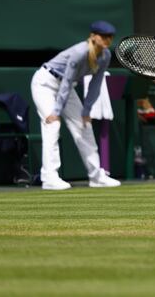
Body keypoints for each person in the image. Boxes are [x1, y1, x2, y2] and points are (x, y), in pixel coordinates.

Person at [30, 21, 121, 190]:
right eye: (103, 36)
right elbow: (66, 81)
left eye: (110, 37)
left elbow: (96, 83)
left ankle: (96, 177)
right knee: (53, 124)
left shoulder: (106, 55)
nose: (107, 40)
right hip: (45, 83)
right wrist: (56, 111)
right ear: (93, 36)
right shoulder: (80, 52)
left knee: (84, 125)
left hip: (66, 88)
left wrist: (87, 110)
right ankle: (49, 177)